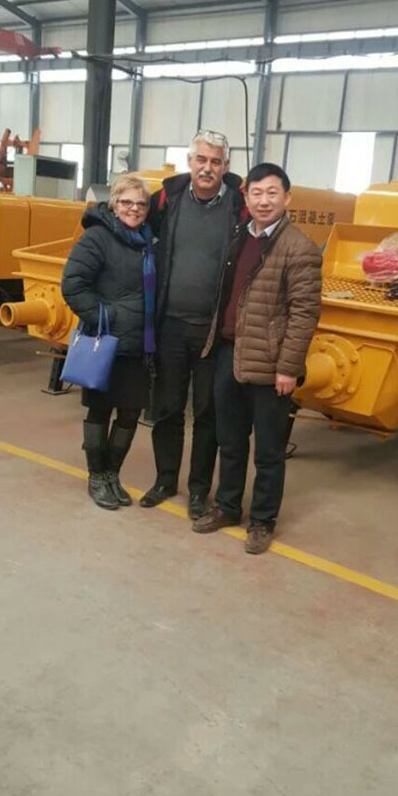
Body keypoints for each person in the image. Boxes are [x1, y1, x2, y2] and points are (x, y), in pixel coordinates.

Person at [193, 162, 322, 554]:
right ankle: (228, 507)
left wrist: (288, 368)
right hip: (229, 354)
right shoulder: (239, 236)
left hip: (270, 364)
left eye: (272, 193)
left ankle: (263, 521)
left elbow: (304, 313)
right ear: (246, 197)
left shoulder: (299, 247)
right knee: (230, 441)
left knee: (268, 451)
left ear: (287, 198)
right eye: (256, 193)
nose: (263, 201)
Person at [140, 130, 246, 520]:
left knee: (207, 414)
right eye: (201, 159)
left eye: (215, 161)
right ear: (189, 161)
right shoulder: (166, 200)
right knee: (167, 409)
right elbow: (129, 217)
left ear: (226, 166)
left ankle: (199, 490)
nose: (207, 168)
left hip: (212, 333)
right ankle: (166, 480)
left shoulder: (239, 207)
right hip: (169, 326)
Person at [61, 174, 156, 511]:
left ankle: (113, 474)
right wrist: (104, 316)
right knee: (100, 410)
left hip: (139, 344)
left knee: (130, 412)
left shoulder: (148, 240)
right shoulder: (97, 238)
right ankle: (96, 476)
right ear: (114, 203)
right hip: (107, 342)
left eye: (141, 204)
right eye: (127, 202)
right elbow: (73, 284)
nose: (134, 209)